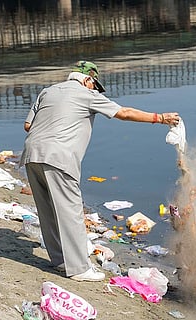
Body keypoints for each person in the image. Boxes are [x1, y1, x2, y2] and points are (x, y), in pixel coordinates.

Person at [20, 60, 180, 282]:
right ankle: (78, 269)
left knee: (48, 211)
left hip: (31, 155)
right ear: (87, 80)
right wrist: (160, 118)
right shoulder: (86, 94)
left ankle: (60, 261)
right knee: (71, 212)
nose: (95, 90)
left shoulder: (48, 92)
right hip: (59, 157)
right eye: (95, 85)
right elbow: (123, 112)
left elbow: (28, 125)